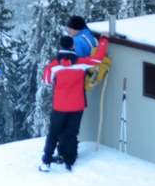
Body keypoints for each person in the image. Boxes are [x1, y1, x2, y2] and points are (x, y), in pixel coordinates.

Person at [41, 32, 108, 171]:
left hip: (59, 106)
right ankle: (69, 161)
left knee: (54, 132)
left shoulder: (54, 65)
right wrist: (104, 40)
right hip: (77, 105)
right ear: (72, 46)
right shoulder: (81, 63)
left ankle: (47, 161)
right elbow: (98, 58)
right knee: (72, 133)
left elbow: (47, 81)